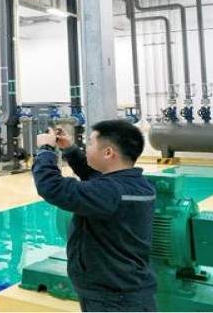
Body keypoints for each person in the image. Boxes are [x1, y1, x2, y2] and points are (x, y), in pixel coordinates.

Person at [32, 120, 157, 312]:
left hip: (112, 300)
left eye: (90, 143)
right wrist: (70, 150)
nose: (87, 148)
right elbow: (94, 177)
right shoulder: (133, 183)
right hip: (123, 290)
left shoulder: (110, 192)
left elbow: (52, 187)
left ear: (108, 153)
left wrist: (45, 150)